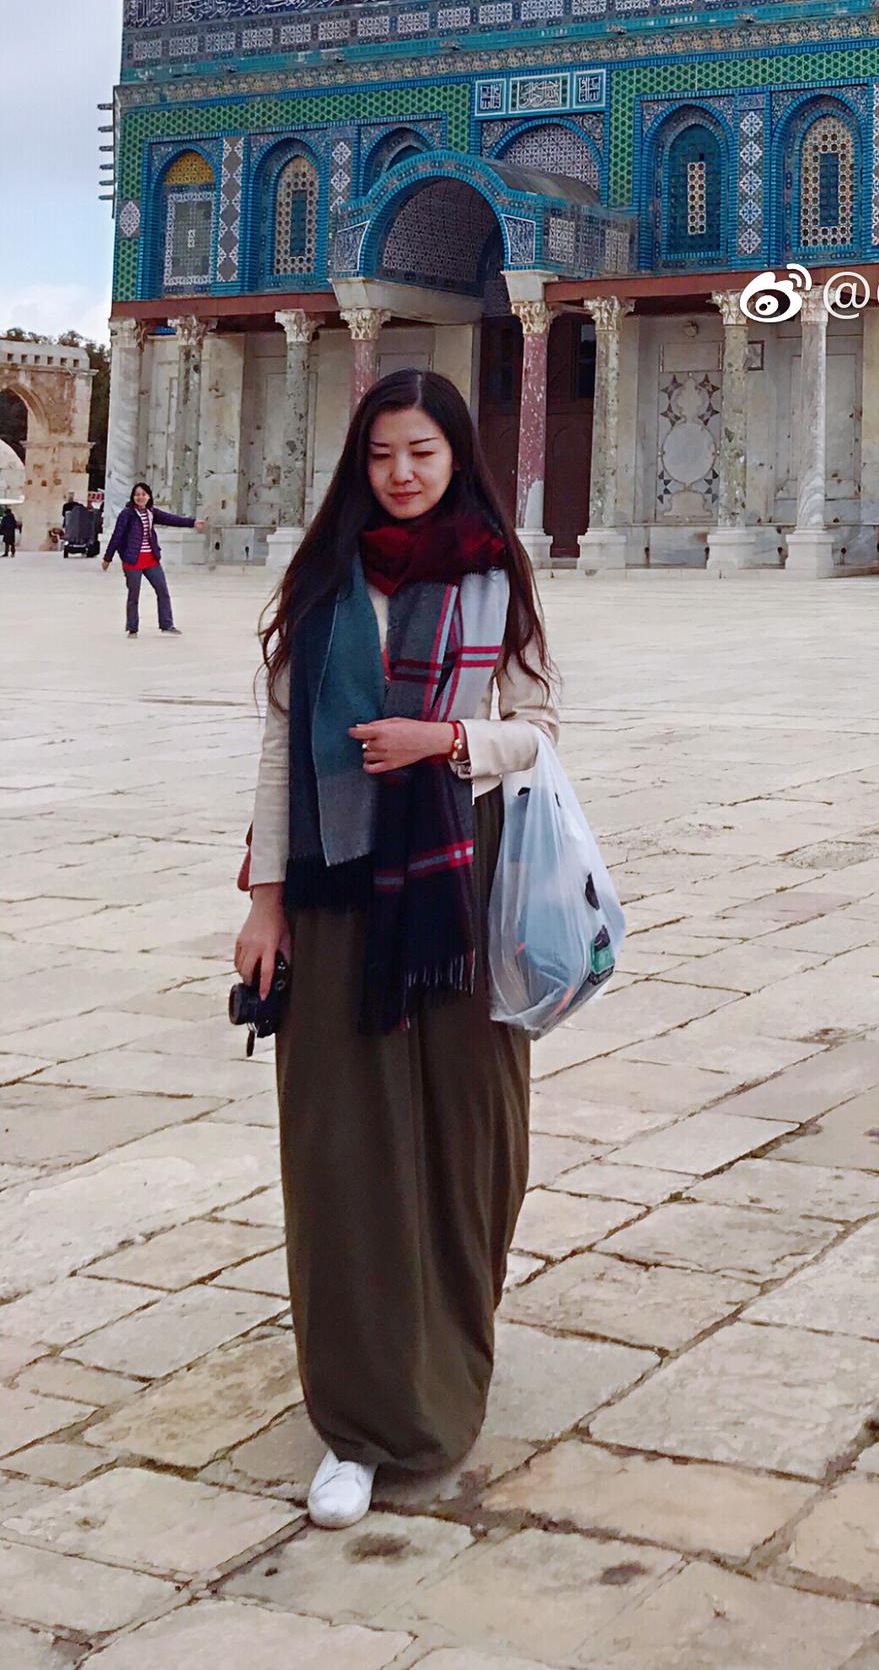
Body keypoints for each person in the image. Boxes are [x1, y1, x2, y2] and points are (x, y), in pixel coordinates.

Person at [232, 368, 559, 1532]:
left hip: (452, 891)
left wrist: (448, 739)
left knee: (467, 1135)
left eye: (421, 452)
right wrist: (265, 903)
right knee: (345, 1154)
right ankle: (365, 1423)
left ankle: (451, 1350)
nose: (402, 473)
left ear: (455, 458)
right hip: (332, 892)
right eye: (381, 455)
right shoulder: (321, 584)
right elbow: (279, 755)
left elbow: (541, 733)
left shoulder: (494, 581)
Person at [101, 482, 193, 633]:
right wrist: (107, 558)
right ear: (133, 497)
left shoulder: (151, 512)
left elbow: (172, 519)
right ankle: (132, 628)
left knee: (162, 591)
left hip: (151, 560)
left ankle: (167, 625)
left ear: (148, 496)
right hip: (133, 560)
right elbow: (117, 536)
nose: (140, 497)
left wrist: (193, 523)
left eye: (143, 494)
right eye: (137, 494)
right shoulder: (127, 514)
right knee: (134, 595)